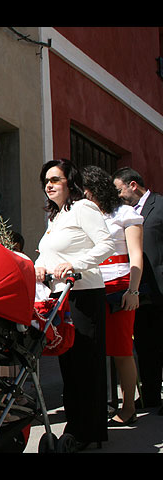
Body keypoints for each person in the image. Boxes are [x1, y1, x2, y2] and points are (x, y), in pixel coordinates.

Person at [34, 159, 114, 450]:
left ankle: (88, 432)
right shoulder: (56, 217)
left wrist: (75, 265)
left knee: (86, 365)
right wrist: (40, 267)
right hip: (61, 297)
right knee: (70, 366)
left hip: (84, 295)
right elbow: (47, 253)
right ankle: (75, 426)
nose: (49, 185)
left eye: (55, 179)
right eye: (46, 181)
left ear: (70, 181)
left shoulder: (84, 208)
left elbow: (106, 244)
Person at [82, 165, 143, 426]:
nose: (83, 195)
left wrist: (133, 290)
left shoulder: (125, 213)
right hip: (91, 286)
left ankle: (129, 407)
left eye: (86, 190)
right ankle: (96, 407)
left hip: (120, 287)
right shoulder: (85, 214)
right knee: (90, 349)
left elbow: (136, 254)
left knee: (121, 350)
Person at [112, 167, 163, 414]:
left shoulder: (160, 205)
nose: (117, 195)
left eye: (119, 189)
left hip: (160, 288)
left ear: (133, 185)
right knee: (145, 345)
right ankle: (151, 396)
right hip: (138, 292)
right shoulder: (122, 215)